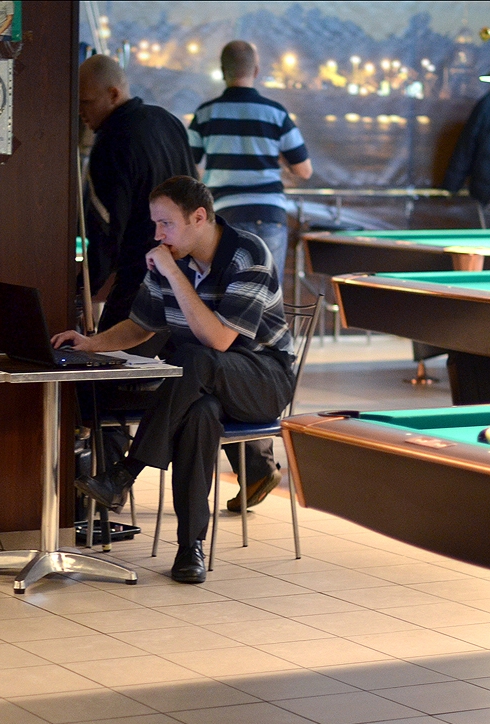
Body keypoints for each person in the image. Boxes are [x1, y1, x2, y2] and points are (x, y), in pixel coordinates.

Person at [56, 176, 294, 584]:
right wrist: (91, 343)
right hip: (204, 384)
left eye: (165, 224)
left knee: (194, 358)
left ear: (198, 218)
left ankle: (126, 471)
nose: (157, 235)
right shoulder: (173, 259)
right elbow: (140, 326)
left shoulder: (247, 254)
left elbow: (219, 340)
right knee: (200, 413)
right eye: (155, 224)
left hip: (263, 379)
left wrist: (172, 272)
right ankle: (189, 549)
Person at [186, 41, 311, 515]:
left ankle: (254, 459)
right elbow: (304, 167)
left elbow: (192, 170)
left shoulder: (205, 113)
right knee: (253, 321)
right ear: (256, 69)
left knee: (225, 320)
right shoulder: (276, 112)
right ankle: (256, 458)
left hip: (225, 218)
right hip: (270, 216)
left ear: (222, 70)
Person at [79, 54, 198, 333]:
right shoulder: (169, 121)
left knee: (110, 354)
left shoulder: (111, 140)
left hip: (141, 275)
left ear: (113, 94)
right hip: (187, 272)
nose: (81, 112)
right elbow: (196, 191)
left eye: (87, 102)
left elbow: (106, 225)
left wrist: (85, 287)